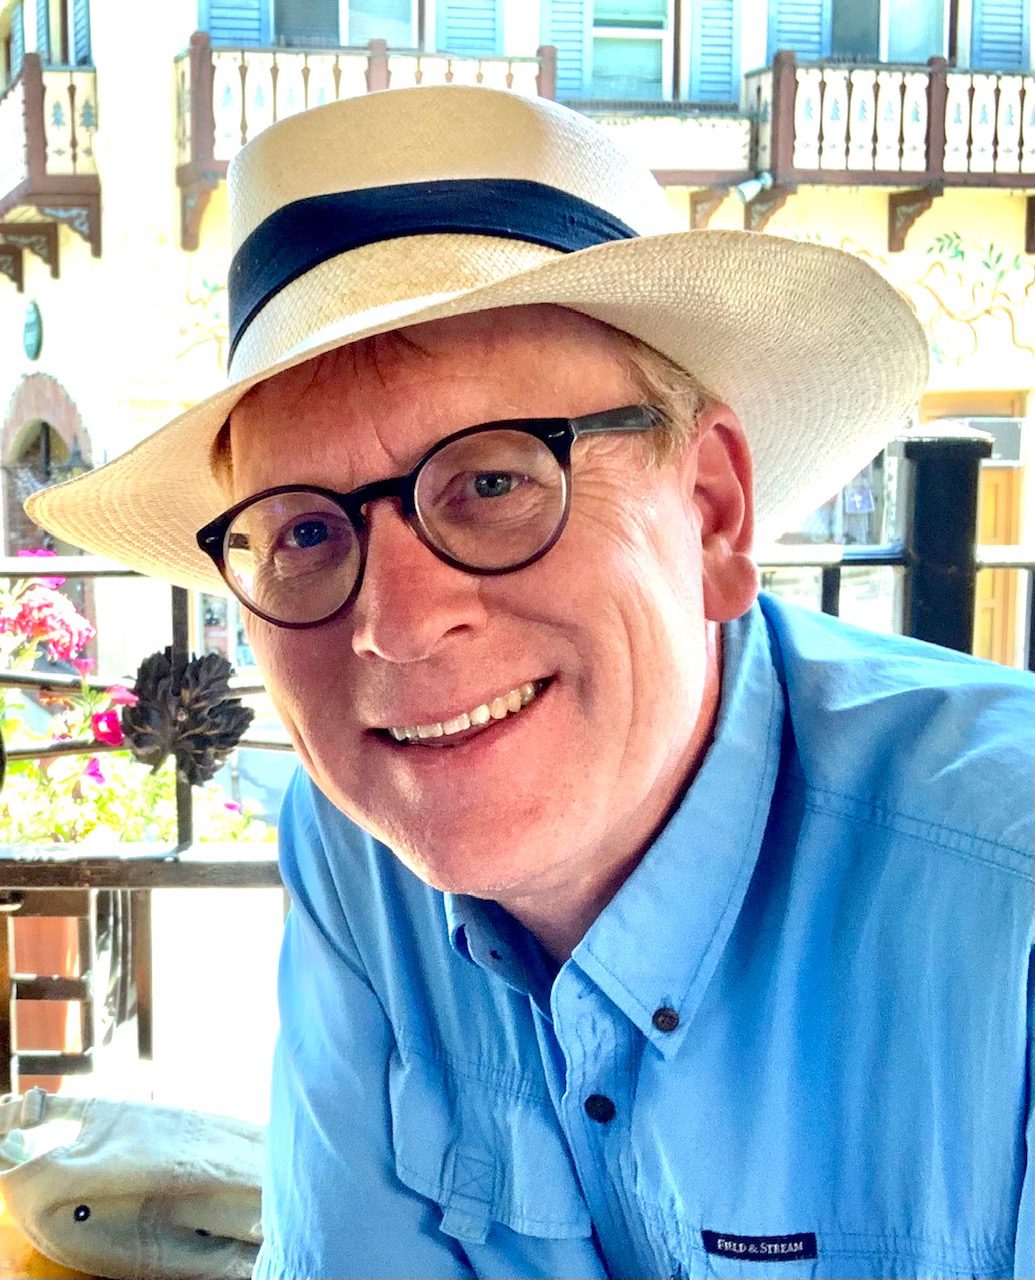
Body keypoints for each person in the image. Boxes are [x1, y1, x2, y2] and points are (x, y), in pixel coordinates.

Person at [28, 85, 1033, 1280]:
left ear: (711, 511)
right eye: (304, 531)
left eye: (495, 480)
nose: (398, 625)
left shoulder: (1005, 907)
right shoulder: (360, 851)